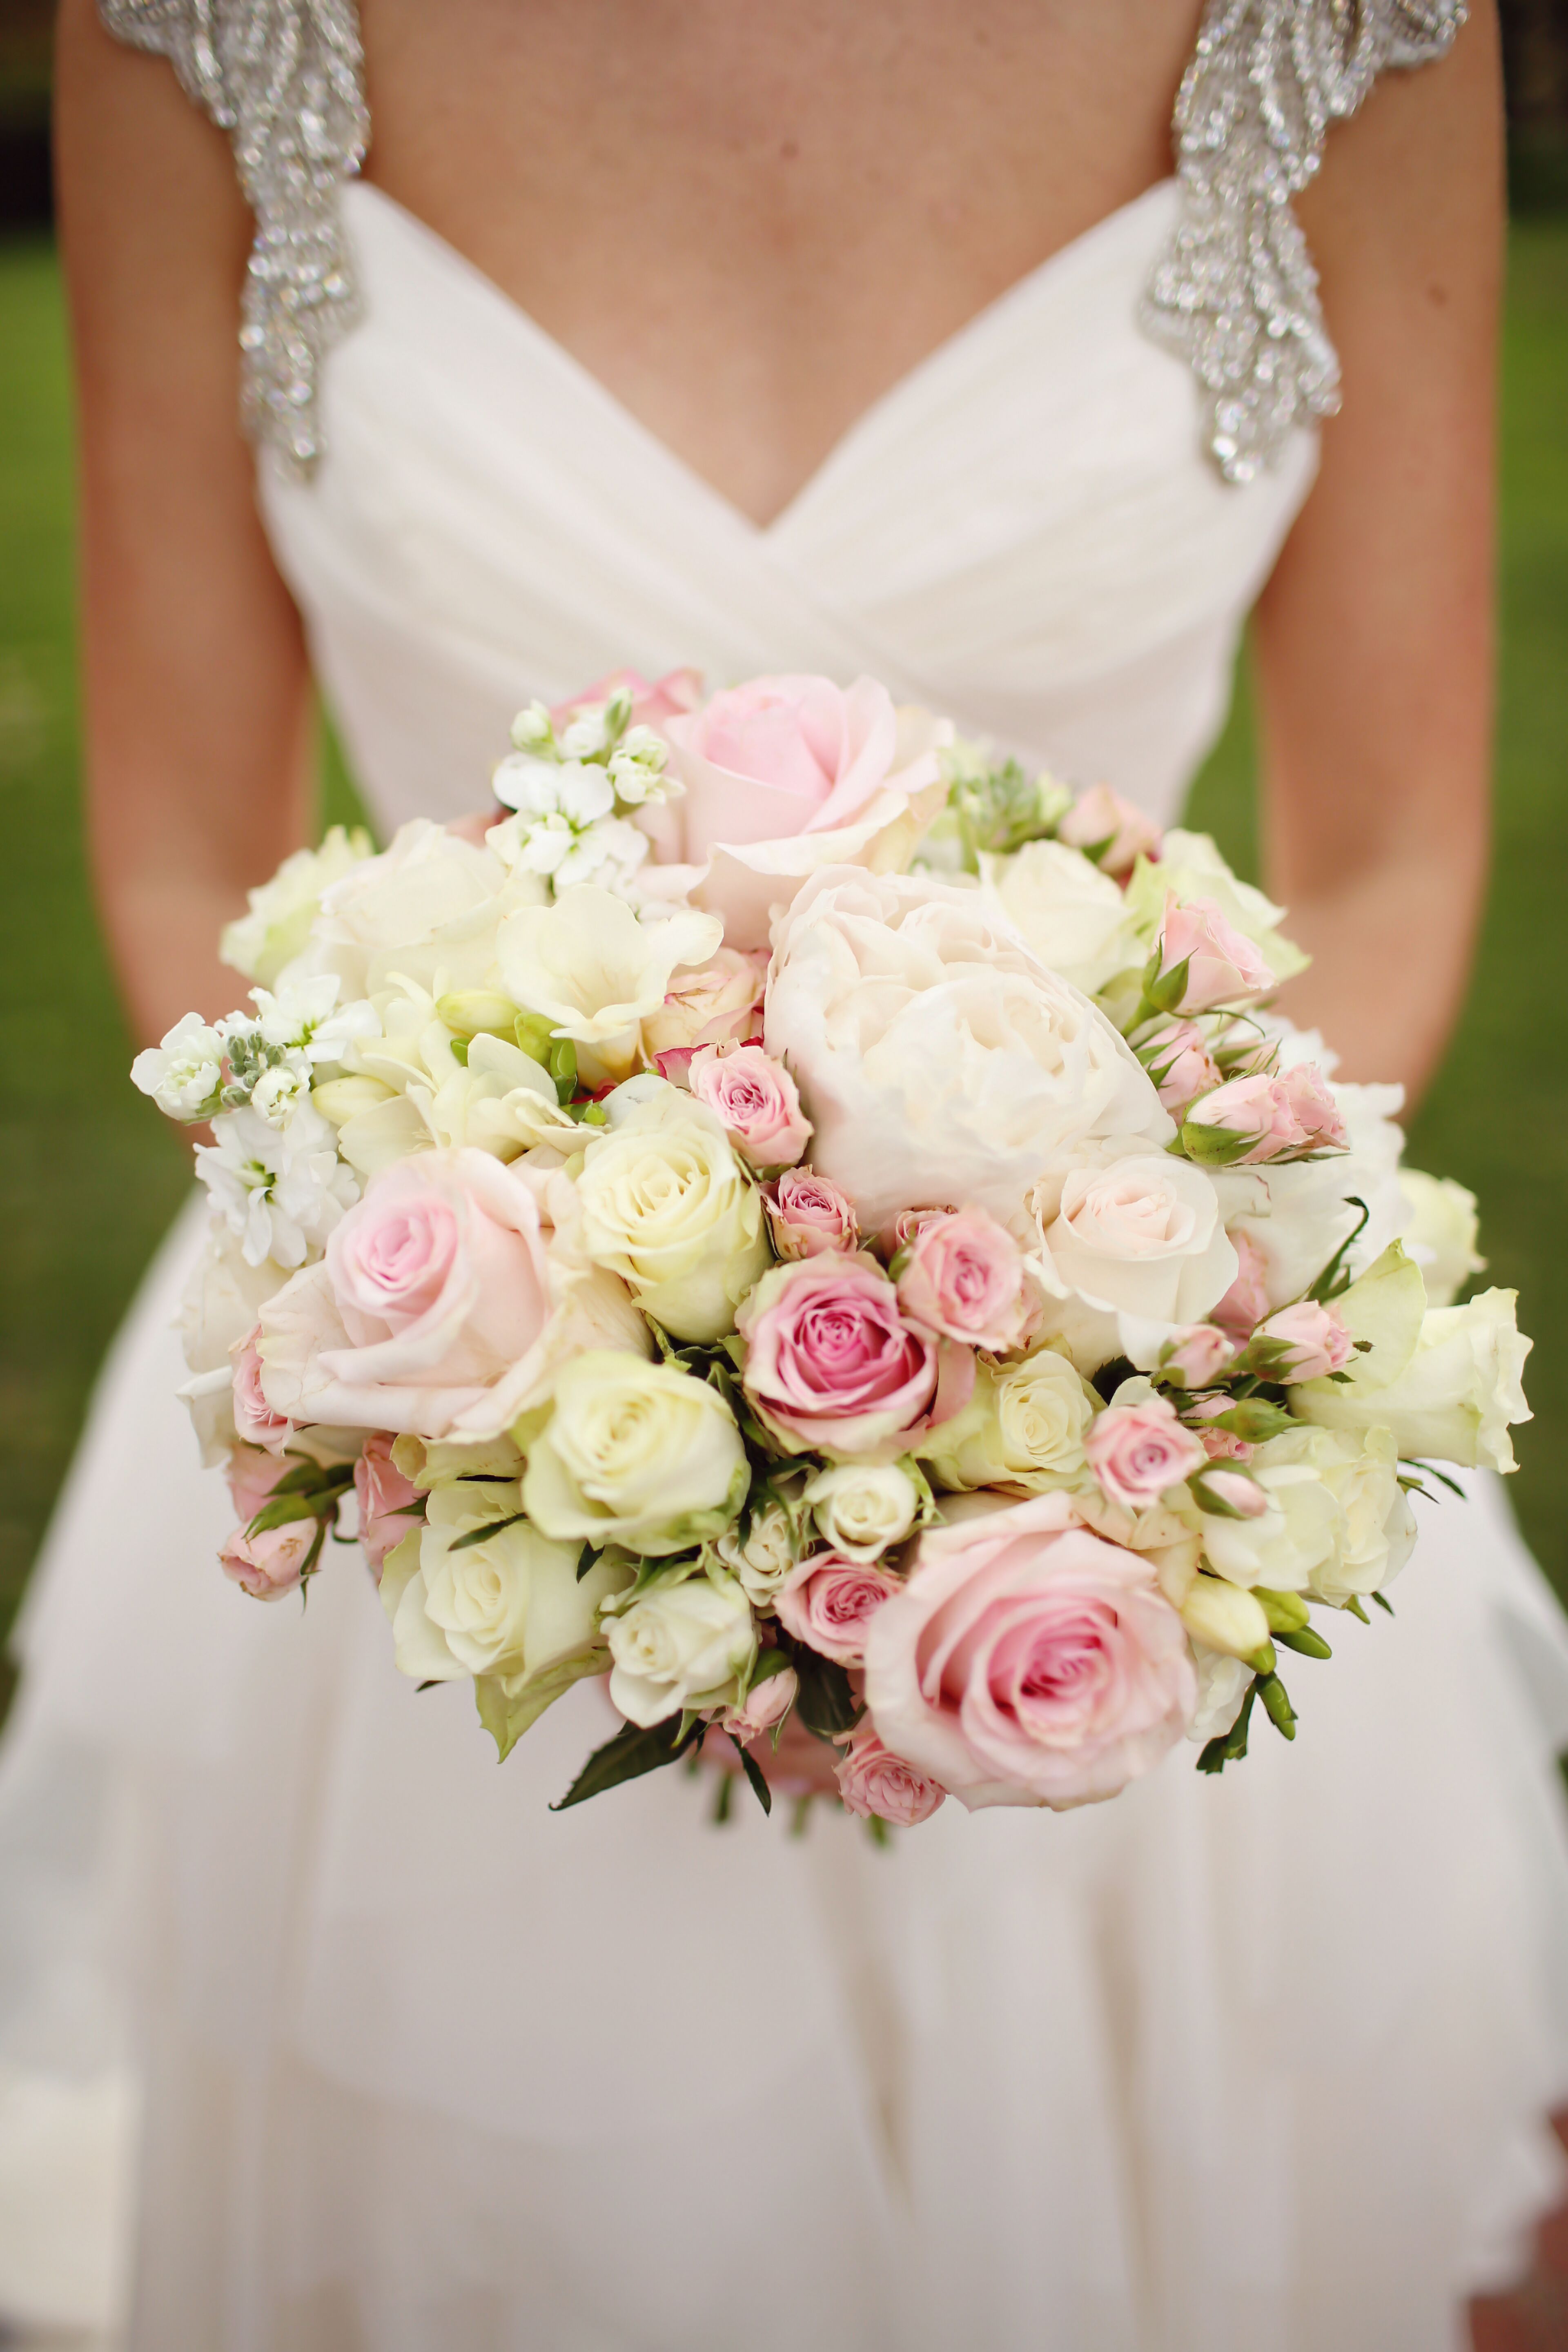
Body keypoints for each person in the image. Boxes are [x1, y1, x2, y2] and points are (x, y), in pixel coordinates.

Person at [1, 0, 1566, 2343]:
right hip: (436, 1453)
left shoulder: (1355, 34)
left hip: (1120, 1442)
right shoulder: (195, 33)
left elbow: (1394, 850)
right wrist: (521, 1385)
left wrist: (1018, 1401)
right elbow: (185, 844)